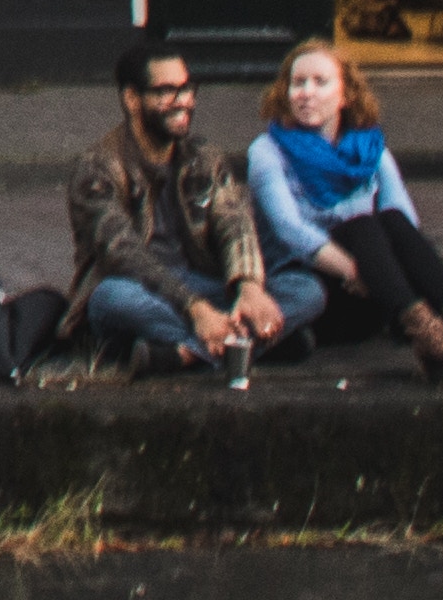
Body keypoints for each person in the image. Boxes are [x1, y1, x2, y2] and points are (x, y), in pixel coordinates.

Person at [68, 29, 316, 379]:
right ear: (132, 99)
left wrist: (247, 286)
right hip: (140, 289)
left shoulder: (203, 157)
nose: (183, 100)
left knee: (306, 289)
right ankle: (252, 345)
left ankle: (185, 354)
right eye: (166, 91)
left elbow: (234, 222)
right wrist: (194, 309)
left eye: (186, 88)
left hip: (203, 284)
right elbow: (123, 254)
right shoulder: (97, 168)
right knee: (110, 299)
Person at [243, 39, 443, 376]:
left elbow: (404, 218)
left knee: (388, 219)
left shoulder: (369, 148)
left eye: (320, 82)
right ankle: (426, 331)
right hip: (315, 286)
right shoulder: (267, 152)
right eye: (297, 83)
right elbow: (291, 232)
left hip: (372, 289)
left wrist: (389, 271)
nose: (306, 92)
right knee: (364, 224)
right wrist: (357, 272)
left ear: (345, 95)